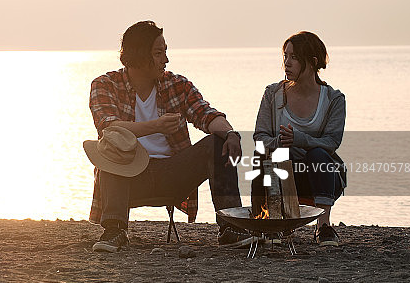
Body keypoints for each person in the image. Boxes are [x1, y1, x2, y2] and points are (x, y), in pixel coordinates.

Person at [84, 20, 250, 252]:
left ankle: (231, 227)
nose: (166, 59)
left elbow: (206, 114)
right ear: (139, 55)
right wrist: (156, 126)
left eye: (165, 52)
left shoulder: (177, 84)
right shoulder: (105, 84)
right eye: (158, 53)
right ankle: (115, 230)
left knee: (218, 142)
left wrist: (230, 133)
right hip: (128, 176)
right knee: (109, 153)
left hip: (173, 174)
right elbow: (109, 128)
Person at [253, 31, 346, 246]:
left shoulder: (333, 99)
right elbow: (260, 137)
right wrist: (280, 142)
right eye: (285, 56)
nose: (287, 63)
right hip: (282, 173)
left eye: (294, 57)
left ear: (312, 62)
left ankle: (323, 226)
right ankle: (268, 222)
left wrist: (300, 139)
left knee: (318, 153)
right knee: (264, 155)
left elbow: (332, 142)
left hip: (321, 176)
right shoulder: (272, 94)